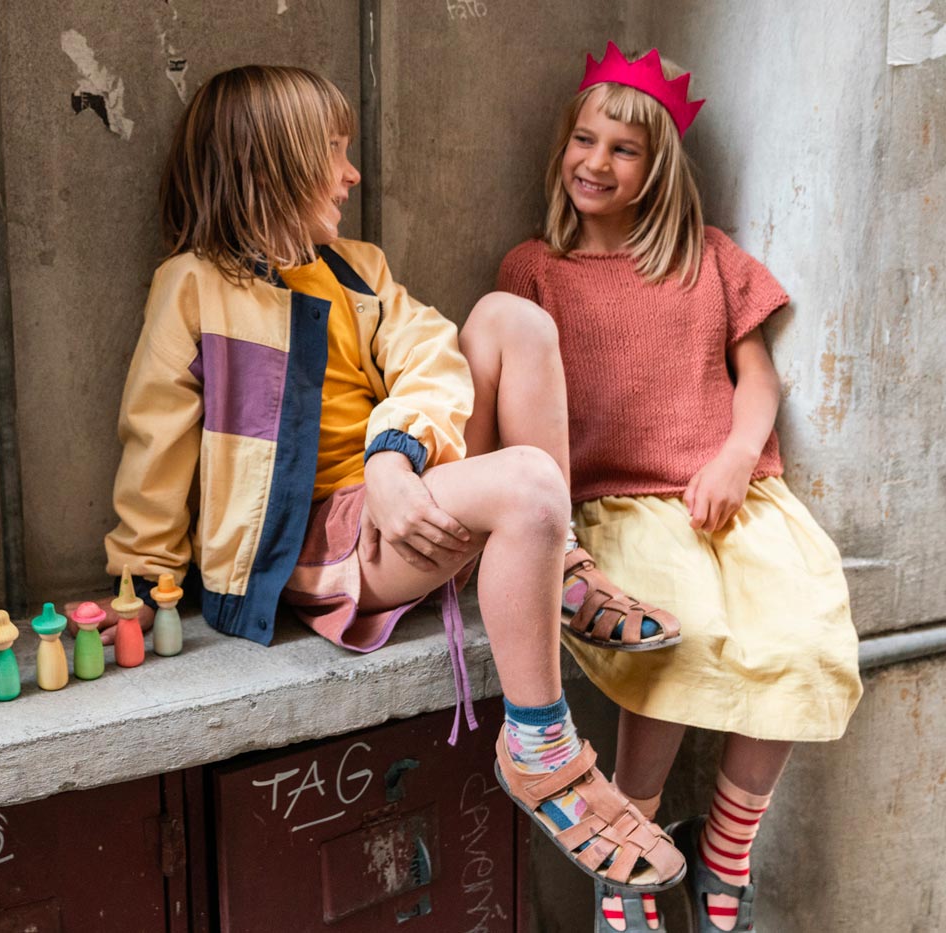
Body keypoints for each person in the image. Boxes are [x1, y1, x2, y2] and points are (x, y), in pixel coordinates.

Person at [102, 64, 683, 893]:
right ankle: (541, 749)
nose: (353, 174)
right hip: (319, 541)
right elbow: (154, 442)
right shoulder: (194, 288)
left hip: (397, 493)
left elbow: (433, 357)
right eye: (333, 155)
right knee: (527, 484)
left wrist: (391, 458)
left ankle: (559, 571)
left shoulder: (356, 268)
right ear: (274, 169)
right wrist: (140, 586)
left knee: (508, 319)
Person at [498, 43, 862, 932]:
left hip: (731, 493)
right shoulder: (535, 271)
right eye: (585, 140)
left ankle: (725, 850)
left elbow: (758, 377)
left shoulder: (707, 257)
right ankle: (631, 843)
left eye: (622, 150)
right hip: (619, 506)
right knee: (673, 643)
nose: (596, 161)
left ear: (658, 166)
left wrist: (739, 453)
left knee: (803, 637)